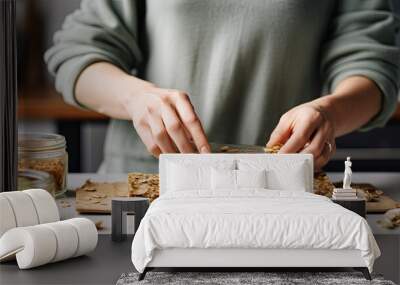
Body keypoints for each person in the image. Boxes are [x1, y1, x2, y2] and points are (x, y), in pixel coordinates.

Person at [45, 0, 399, 173]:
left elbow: (374, 68)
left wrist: (329, 112)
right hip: (147, 188)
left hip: (279, 191)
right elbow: (77, 54)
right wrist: (136, 97)